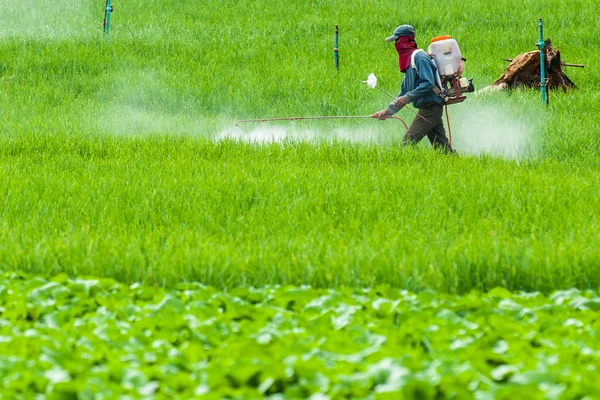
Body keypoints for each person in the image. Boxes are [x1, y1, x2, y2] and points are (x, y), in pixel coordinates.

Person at [372, 24, 455, 153]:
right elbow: (403, 92)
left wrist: (408, 98)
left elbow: (428, 83)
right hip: (428, 108)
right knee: (442, 148)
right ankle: (454, 164)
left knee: (407, 142)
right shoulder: (409, 63)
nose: (396, 44)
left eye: (397, 40)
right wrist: (387, 111)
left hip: (431, 108)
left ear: (405, 40)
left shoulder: (419, 57)